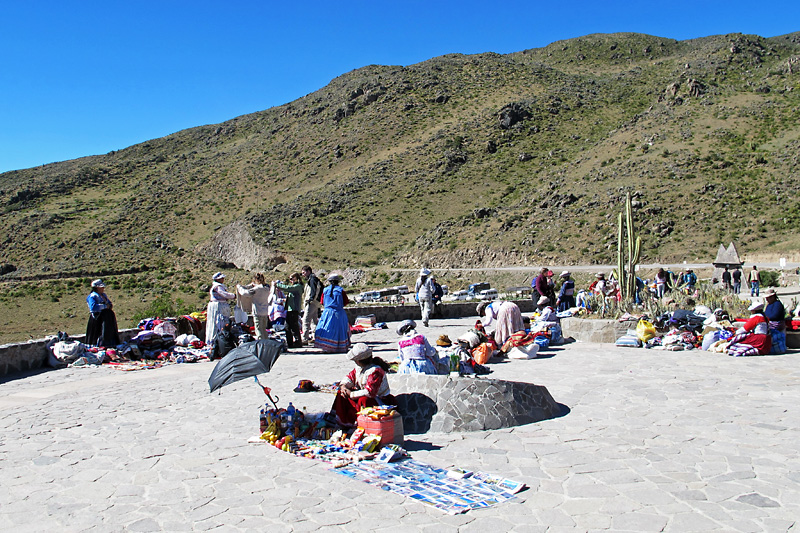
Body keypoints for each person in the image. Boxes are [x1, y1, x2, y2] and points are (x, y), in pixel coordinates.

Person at [331, 343, 396, 426]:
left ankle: (363, 423)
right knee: (341, 393)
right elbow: (350, 377)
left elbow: (370, 392)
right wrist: (344, 386)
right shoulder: (359, 368)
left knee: (364, 400)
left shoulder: (375, 371)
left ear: (358, 360)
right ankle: (343, 421)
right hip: (364, 394)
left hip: (379, 400)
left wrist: (351, 394)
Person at [315, 274, 351, 353]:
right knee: (340, 329)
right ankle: (339, 346)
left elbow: (322, 302)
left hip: (327, 312)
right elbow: (346, 302)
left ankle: (327, 347)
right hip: (339, 313)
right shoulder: (341, 290)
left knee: (327, 328)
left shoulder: (325, 290)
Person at [85, 279, 120, 347]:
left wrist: (109, 306)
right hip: (98, 318)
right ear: (97, 287)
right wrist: (104, 306)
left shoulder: (103, 295)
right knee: (99, 333)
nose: (103, 288)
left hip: (107, 318)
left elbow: (109, 303)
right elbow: (93, 307)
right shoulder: (93, 296)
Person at [205, 272, 236, 345]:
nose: (223, 279)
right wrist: (233, 296)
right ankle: (216, 341)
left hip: (220, 305)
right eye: (221, 278)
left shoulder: (218, 286)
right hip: (218, 306)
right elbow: (224, 294)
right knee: (218, 322)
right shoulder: (217, 287)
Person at [239, 273, 270, 340]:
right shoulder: (267, 287)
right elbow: (261, 286)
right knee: (264, 330)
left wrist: (239, 287)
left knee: (258, 330)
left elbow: (245, 293)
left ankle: (261, 343)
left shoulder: (256, 289)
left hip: (257, 312)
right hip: (265, 312)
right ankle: (266, 343)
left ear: (256, 279)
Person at [276, 273, 303, 349]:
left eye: (292, 278)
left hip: (294, 309)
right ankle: (290, 343)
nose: (291, 280)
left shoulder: (298, 287)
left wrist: (278, 285)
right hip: (289, 309)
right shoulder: (294, 287)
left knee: (294, 327)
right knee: (287, 326)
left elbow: (288, 288)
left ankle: (298, 342)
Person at [300, 265, 323, 345]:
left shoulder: (312, 280)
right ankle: (316, 337)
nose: (303, 274)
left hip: (311, 303)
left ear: (308, 271)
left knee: (306, 320)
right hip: (316, 303)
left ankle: (304, 338)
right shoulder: (315, 279)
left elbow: (313, 291)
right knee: (314, 321)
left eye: (304, 272)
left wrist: (311, 299)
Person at [763, 288, 786, 354]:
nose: (767, 300)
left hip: (777, 323)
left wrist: (766, 318)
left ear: (773, 297)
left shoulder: (777, 304)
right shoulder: (769, 305)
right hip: (770, 322)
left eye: (768, 298)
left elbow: (775, 316)